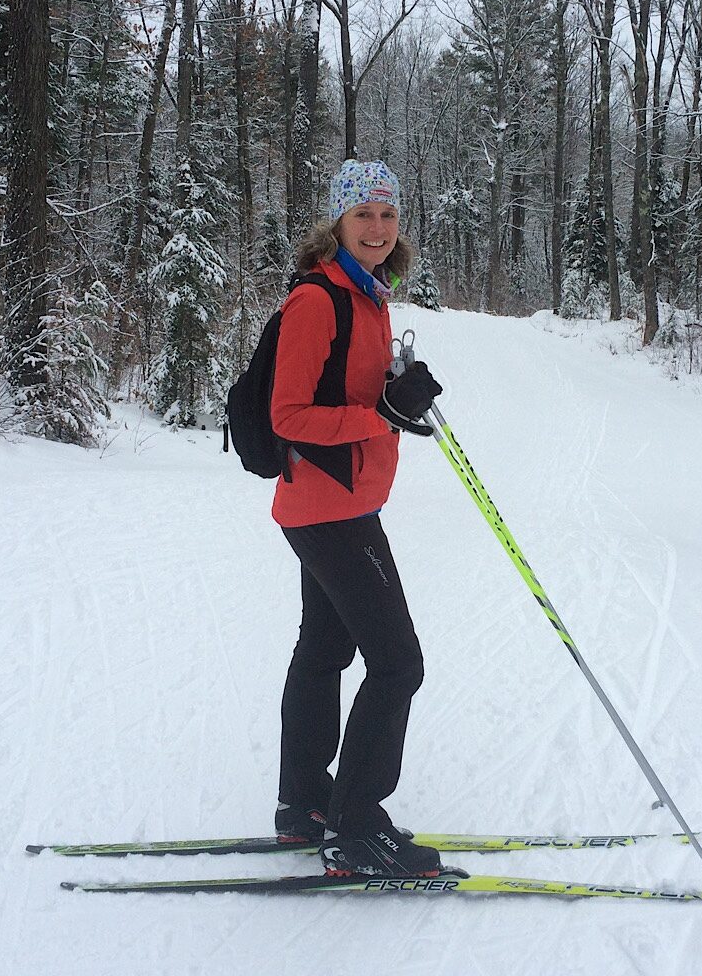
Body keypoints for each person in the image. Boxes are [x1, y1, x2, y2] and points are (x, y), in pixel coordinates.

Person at [269, 160, 444, 878]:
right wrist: (379, 414)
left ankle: (305, 806)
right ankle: (356, 827)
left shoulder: (370, 296)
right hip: (327, 507)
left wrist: (397, 397)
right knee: (398, 662)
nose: (376, 228)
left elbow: (359, 397)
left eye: (387, 215)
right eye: (362, 214)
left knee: (325, 649)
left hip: (341, 502)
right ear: (337, 222)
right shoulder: (319, 300)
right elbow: (290, 413)